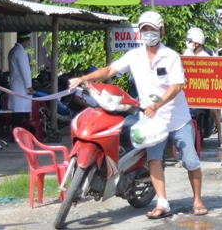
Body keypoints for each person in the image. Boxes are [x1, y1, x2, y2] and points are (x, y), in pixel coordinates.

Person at [69, 11, 207, 218]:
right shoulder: (135, 56)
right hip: (151, 121)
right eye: (144, 29)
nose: (148, 33)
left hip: (177, 119)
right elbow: (109, 71)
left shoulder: (170, 56)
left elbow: (177, 86)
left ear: (161, 31)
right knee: (154, 160)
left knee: (191, 161)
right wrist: (83, 78)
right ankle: (162, 203)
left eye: (152, 29)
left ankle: (197, 199)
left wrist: (157, 104)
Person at [183, 27, 222, 147]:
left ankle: (220, 137)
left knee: (214, 111)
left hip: (205, 90)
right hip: (190, 90)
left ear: (197, 43)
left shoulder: (207, 56)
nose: (188, 43)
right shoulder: (186, 54)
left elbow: (216, 72)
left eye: (190, 41)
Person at [8, 31, 34, 131]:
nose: (30, 43)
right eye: (29, 41)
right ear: (26, 40)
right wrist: (29, 86)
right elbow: (25, 70)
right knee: (20, 111)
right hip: (21, 86)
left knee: (18, 111)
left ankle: (17, 134)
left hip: (17, 84)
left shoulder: (14, 50)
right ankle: (17, 135)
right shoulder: (20, 52)